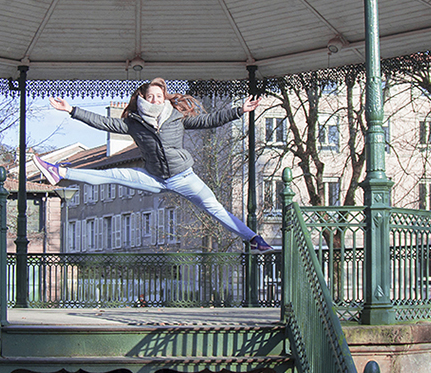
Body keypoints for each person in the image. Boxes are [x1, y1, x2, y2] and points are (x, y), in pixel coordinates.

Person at [33, 78, 273, 251]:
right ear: (143, 99)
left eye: (159, 96)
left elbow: (209, 120)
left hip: (184, 178)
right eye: (151, 96)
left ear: (164, 98)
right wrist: (72, 110)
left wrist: (239, 111)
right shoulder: (134, 124)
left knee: (215, 208)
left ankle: (253, 239)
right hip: (153, 177)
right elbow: (103, 122)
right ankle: (60, 172)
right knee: (112, 174)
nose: (155, 99)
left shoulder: (177, 118)